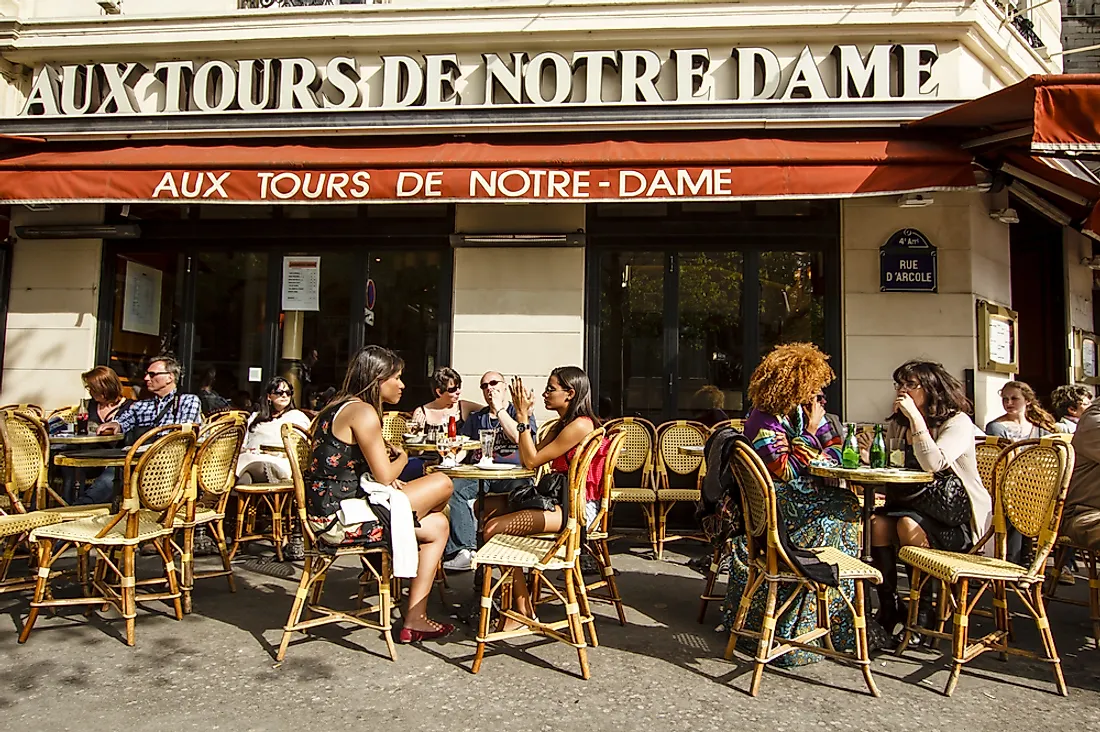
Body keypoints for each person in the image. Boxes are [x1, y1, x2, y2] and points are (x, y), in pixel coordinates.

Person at [721, 343, 864, 666]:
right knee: (845, 508)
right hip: (776, 506)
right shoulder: (762, 420)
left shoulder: (804, 411)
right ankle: (818, 620)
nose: (818, 393)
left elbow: (839, 452)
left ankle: (827, 616)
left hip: (804, 494)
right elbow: (785, 470)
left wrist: (809, 445)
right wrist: (811, 435)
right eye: (812, 386)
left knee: (847, 503)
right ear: (793, 384)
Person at [305, 345, 455, 642]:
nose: (402, 385)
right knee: (443, 482)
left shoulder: (335, 407)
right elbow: (387, 474)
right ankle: (395, 551)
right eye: (396, 378)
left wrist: (387, 483)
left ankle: (415, 619)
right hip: (340, 520)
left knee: (438, 525)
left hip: (325, 512)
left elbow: (354, 469)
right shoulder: (363, 412)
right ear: (377, 379)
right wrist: (403, 455)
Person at [866, 360, 991, 639]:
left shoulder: (957, 423)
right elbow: (894, 463)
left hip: (953, 518)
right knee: (876, 524)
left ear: (932, 389)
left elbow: (933, 463)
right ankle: (888, 607)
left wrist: (917, 421)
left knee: (907, 526)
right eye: (900, 384)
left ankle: (922, 613)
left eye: (911, 385)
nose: (903, 390)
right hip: (909, 503)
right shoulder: (898, 424)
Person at [480, 366, 604, 629]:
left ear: (570, 394)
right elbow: (530, 459)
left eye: (551, 388)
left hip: (574, 507)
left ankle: (521, 609)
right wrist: (523, 419)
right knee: (484, 508)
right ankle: (494, 594)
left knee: (493, 529)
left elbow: (531, 460)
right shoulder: (560, 425)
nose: (544, 393)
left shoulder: (580, 425)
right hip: (556, 498)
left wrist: (522, 415)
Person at [441, 371, 537, 572]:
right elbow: (464, 447)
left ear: (504, 387)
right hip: (481, 473)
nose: (489, 388)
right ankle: (465, 551)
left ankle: (511, 550)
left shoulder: (519, 414)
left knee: (521, 492)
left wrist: (500, 410)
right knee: (452, 489)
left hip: (513, 474)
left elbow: (519, 439)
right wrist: (451, 459)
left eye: (493, 383)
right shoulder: (477, 418)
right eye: (484, 386)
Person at [65, 366, 134, 505]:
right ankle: (62, 506)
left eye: (92, 388)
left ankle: (80, 507)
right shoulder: (88, 405)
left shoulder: (130, 408)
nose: (90, 392)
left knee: (114, 473)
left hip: (115, 457)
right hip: (89, 456)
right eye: (88, 388)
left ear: (105, 387)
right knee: (67, 462)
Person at [98, 355, 202, 436]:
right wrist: (115, 425)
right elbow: (123, 421)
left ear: (169, 378)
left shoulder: (188, 401)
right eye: (147, 374)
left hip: (173, 459)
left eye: (152, 374)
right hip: (143, 458)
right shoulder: (142, 405)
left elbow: (184, 434)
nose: (146, 378)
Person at [236, 377, 311, 485]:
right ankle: (243, 496)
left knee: (254, 465)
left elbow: (300, 448)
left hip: (281, 462)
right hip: (251, 456)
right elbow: (244, 441)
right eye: (279, 392)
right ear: (269, 396)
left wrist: (272, 452)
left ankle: (238, 497)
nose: (284, 396)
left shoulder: (297, 417)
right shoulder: (256, 417)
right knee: (244, 462)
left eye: (288, 393)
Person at [410, 367, 480, 432]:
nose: (458, 391)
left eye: (459, 387)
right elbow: (413, 440)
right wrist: (418, 432)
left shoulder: (463, 406)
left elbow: (488, 410)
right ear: (439, 392)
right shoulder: (422, 412)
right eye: (453, 389)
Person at [984, 380, 1056, 440]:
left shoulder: (1040, 427)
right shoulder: (996, 427)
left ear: (1027, 400)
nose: (1009, 402)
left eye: (1014, 398)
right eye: (1005, 398)